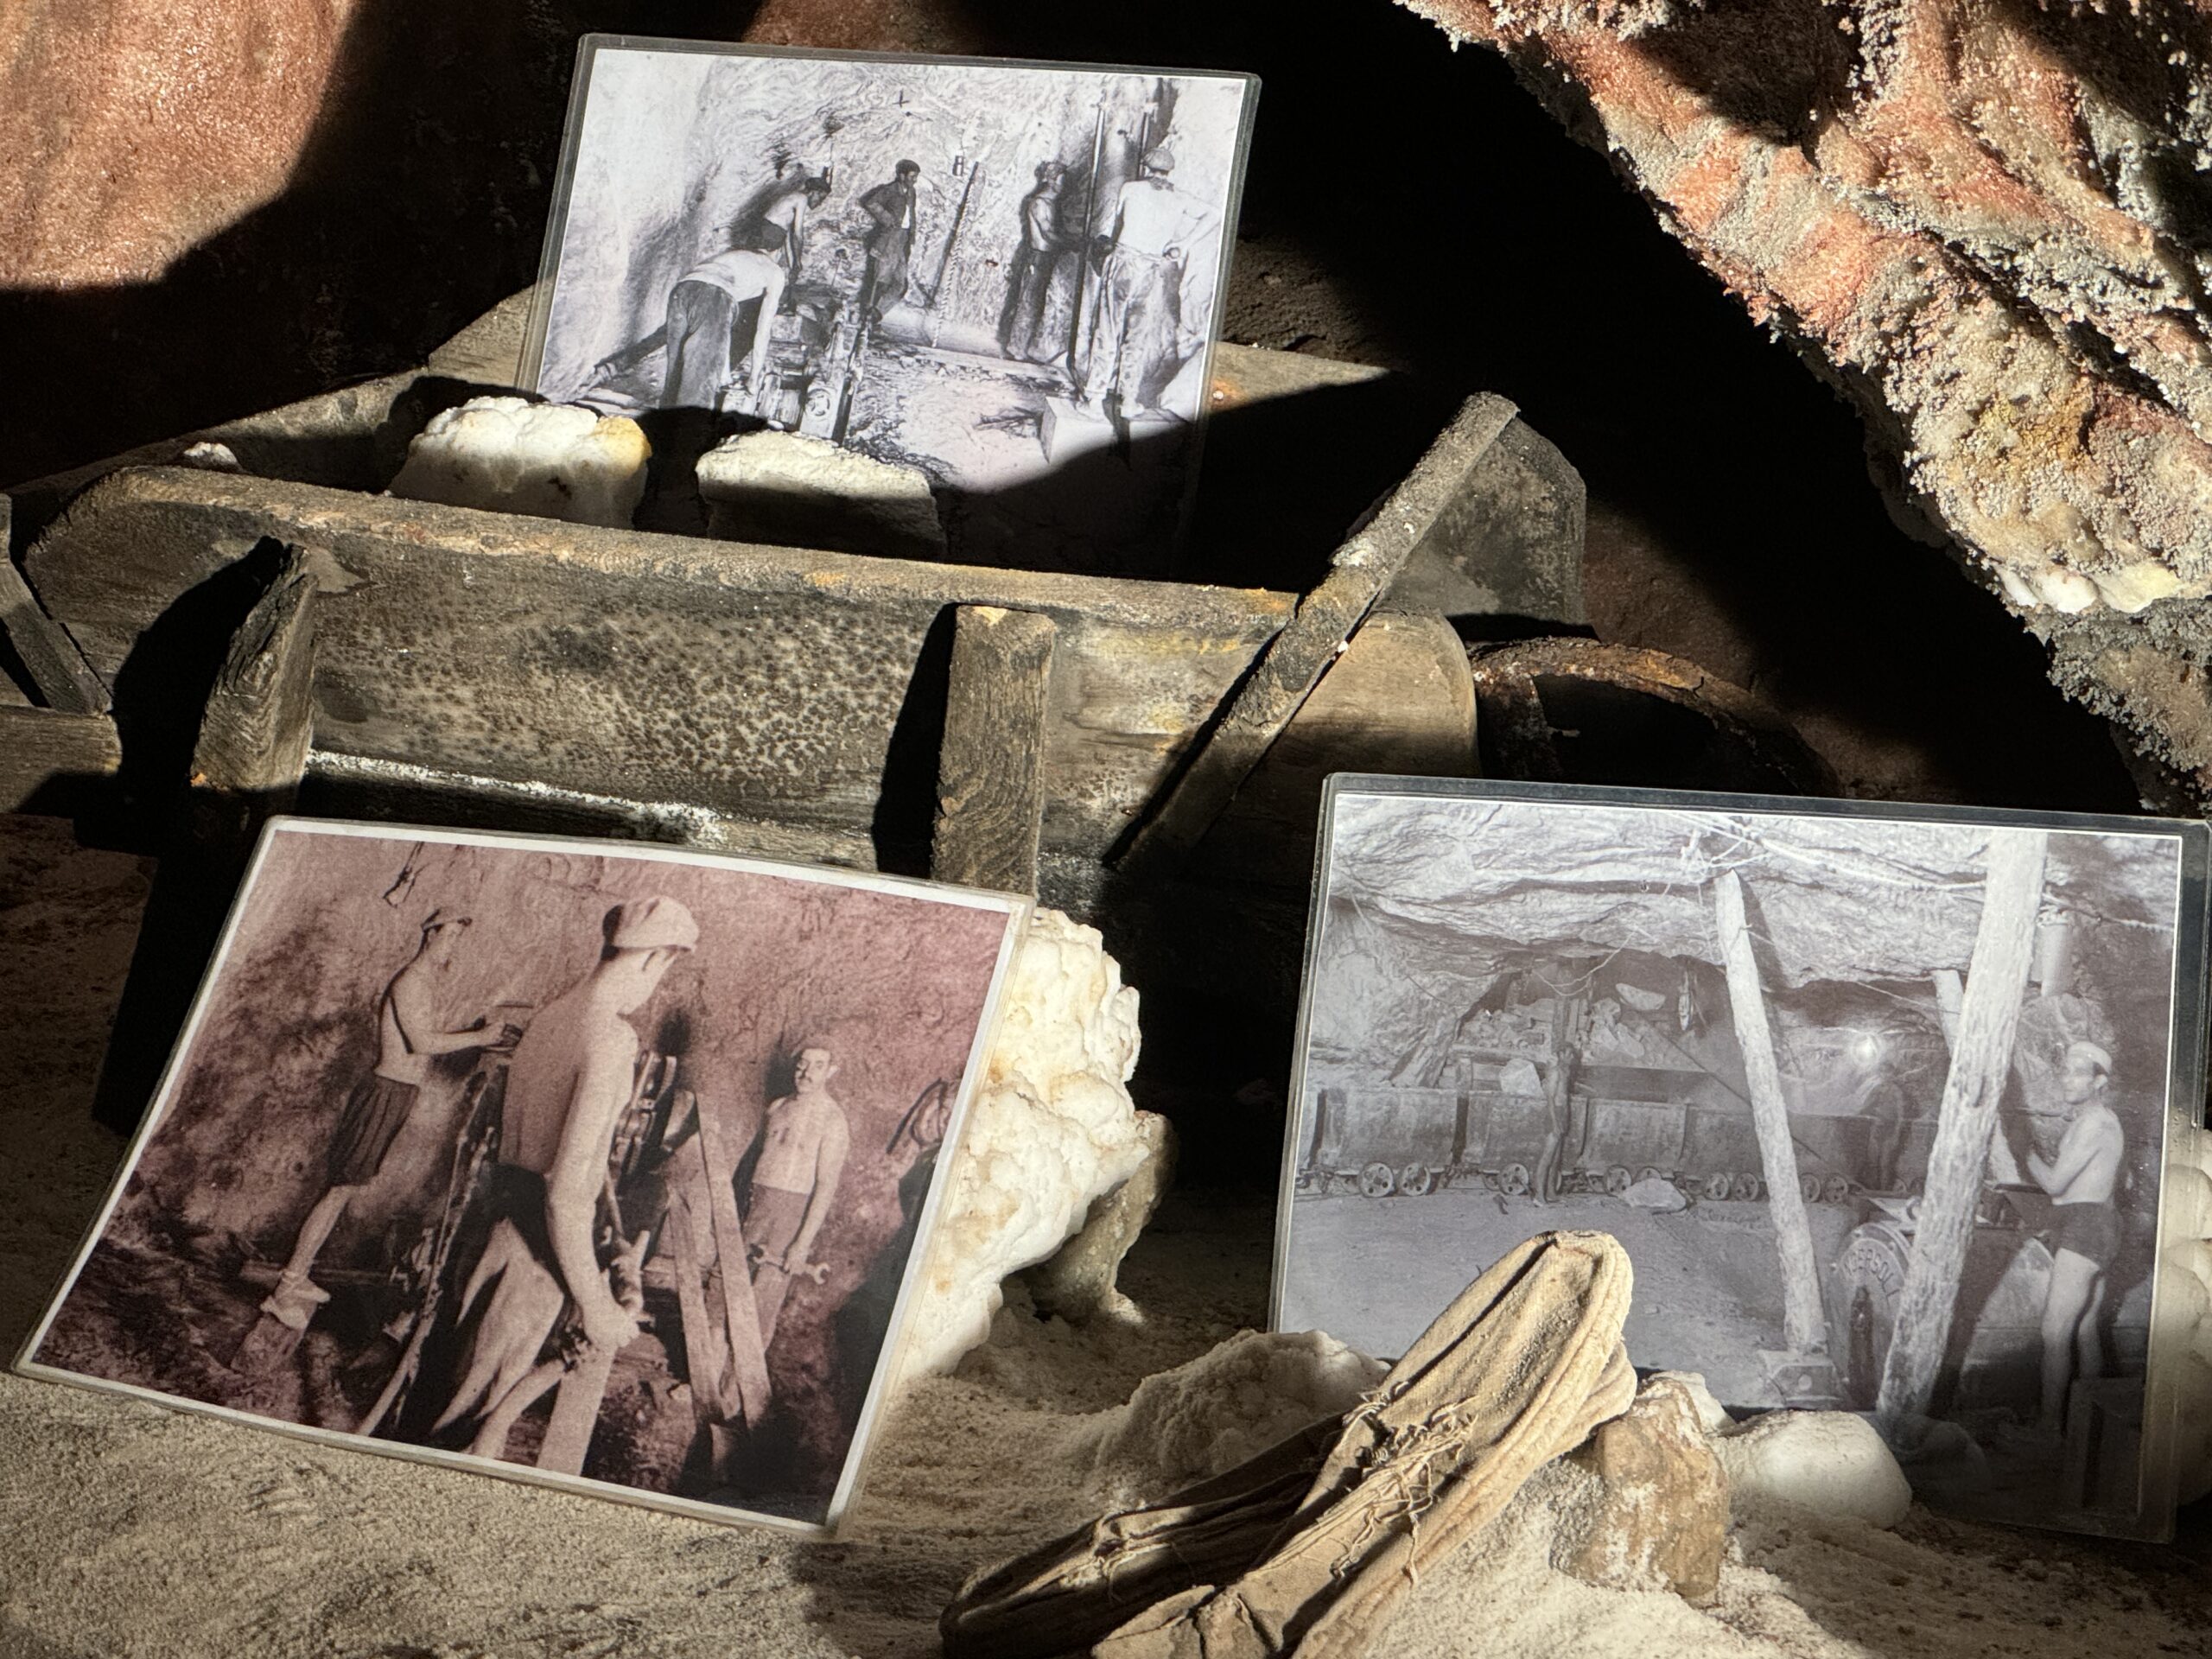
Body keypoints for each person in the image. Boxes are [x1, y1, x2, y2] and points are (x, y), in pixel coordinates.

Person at [430, 896, 698, 1455]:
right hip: (533, 1256)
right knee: (462, 1433)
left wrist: (610, 1238)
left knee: (446, 1402)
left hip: (491, 1232)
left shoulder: (553, 1016)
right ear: (657, 958)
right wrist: (597, 1309)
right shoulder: (610, 1038)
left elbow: (576, 1168)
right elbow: (565, 1197)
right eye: (667, 968)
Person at [255, 910, 498, 1333]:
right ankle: (284, 1291)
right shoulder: (411, 981)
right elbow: (420, 1041)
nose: (453, 945)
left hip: (398, 1094)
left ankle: (299, 1274)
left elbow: (422, 1042)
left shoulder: (425, 983)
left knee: (344, 1192)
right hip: (383, 1093)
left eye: (459, 938)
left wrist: (474, 1036)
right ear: (430, 934)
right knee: (338, 1191)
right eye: (449, 936)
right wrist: (479, 1037)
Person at [2025, 1039, 2125, 1439]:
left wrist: (2021, 1152)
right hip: (2095, 1224)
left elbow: (2054, 1184)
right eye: (2065, 1071)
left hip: (2087, 1226)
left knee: (2054, 1331)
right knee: (2084, 1329)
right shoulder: (2098, 1121)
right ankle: (2088, 1430)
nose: (2067, 1079)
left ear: (2099, 1082)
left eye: (2078, 1073)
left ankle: (2049, 1430)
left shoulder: (2095, 1124)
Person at [1077, 146, 1217, 420]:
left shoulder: (1131, 188)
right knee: (1138, 335)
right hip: (1152, 268)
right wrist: (1183, 243)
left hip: (1124, 262)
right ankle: (1128, 401)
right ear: (1168, 172)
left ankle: (1094, 398)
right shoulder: (1180, 198)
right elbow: (1213, 214)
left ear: (1145, 168)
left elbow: (1113, 226)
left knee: (1108, 329)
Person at [741, 1045, 850, 1346]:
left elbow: (826, 1187)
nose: (807, 1072)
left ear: (831, 1072)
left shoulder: (832, 1120)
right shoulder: (777, 1107)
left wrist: (801, 1245)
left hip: (790, 1212)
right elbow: (754, 1162)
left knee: (762, 1301)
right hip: (756, 1202)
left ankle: (738, 1375)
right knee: (728, 1282)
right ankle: (705, 1365)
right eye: (803, 1063)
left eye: (818, 1065)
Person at [660, 241, 788, 413]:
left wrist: (724, 370)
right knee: (700, 379)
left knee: (675, 374)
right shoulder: (775, 271)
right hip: (713, 294)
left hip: (682, 290)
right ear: (778, 251)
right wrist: (753, 379)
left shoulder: (736, 257)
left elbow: (719, 326)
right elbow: (763, 332)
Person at [997, 161, 1070, 361]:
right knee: (1029, 303)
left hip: (1045, 257)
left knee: (1035, 303)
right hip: (1037, 257)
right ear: (1053, 180)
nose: (1065, 184)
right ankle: (1016, 349)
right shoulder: (1040, 203)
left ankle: (1021, 348)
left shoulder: (1051, 204)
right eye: (1062, 179)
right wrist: (1074, 243)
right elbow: (1047, 234)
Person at [856, 160, 921, 324]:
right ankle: (867, 320)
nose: (915, 180)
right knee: (880, 280)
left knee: (900, 285)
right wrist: (888, 219)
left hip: (903, 240)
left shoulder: (911, 192)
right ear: (902, 176)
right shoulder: (891, 190)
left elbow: (910, 214)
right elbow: (870, 202)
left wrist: (911, 234)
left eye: (916, 177)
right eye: (912, 177)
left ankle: (876, 314)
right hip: (889, 238)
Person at [734, 174, 832, 277]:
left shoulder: (792, 198)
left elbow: (788, 237)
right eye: (821, 198)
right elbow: (798, 235)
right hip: (769, 234)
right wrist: (798, 262)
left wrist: (793, 265)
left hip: (763, 232)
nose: (820, 203)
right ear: (814, 192)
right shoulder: (802, 198)